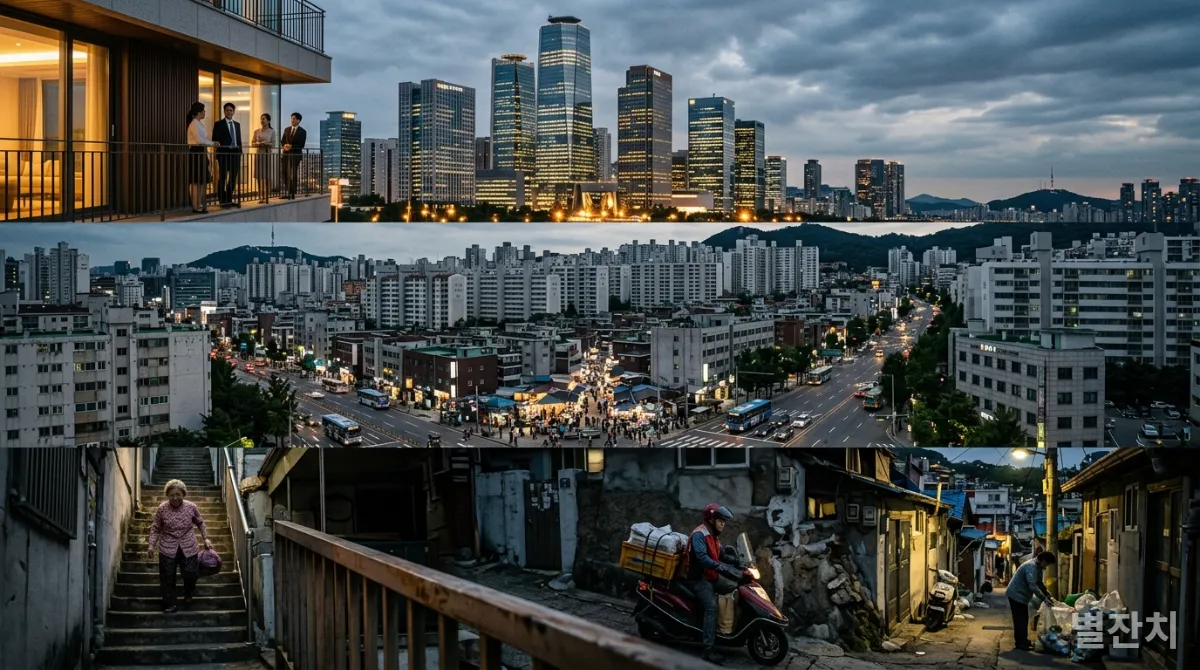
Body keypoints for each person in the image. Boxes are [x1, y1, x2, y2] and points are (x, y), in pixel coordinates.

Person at [685, 503, 744, 665]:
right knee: (711, 607)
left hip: (710, 576)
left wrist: (738, 562)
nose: (723, 524)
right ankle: (708, 648)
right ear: (711, 520)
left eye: (724, 521)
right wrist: (720, 567)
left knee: (735, 586)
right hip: (698, 579)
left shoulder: (713, 535)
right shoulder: (700, 534)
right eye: (720, 521)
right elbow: (702, 557)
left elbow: (721, 554)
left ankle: (728, 628)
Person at [146, 479, 213, 613]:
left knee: (191, 573)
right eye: (172, 495)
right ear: (167, 495)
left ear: (183, 494)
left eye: (178, 494)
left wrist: (206, 538)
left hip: (188, 545)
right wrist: (151, 545)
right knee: (167, 577)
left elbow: (200, 522)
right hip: (167, 546)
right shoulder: (162, 509)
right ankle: (169, 604)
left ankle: (188, 591)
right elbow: (156, 528)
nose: (175, 497)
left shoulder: (191, 507)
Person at [1007, 551, 1057, 651]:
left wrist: (1047, 593)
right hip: (1016, 595)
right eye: (1047, 564)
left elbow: (1039, 583)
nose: (1046, 566)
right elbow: (1033, 586)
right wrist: (1044, 599)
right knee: (1020, 619)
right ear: (1043, 560)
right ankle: (1020, 643)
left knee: (1023, 618)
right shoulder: (1031, 567)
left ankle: (1023, 641)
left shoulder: (1038, 567)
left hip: (1021, 595)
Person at [185, 102, 219, 213]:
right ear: (198, 112)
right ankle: (196, 206)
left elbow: (202, 140)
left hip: (201, 152)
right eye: (203, 111)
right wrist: (212, 143)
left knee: (200, 180)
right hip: (196, 152)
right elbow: (199, 140)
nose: (205, 112)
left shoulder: (198, 123)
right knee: (196, 181)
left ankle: (198, 204)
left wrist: (211, 143)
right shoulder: (194, 123)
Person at [211, 102, 243, 207]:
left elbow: (239, 140)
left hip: (235, 154)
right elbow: (215, 139)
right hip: (224, 153)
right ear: (224, 111)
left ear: (233, 112)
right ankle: (222, 200)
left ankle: (229, 199)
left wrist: (240, 152)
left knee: (233, 177)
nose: (229, 112)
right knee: (223, 177)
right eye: (227, 110)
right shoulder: (218, 124)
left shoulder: (237, 125)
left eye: (231, 110)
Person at [281, 112, 306, 199]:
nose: (292, 120)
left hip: (295, 155)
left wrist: (291, 146)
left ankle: (292, 192)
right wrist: (284, 146)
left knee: (292, 173)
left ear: (298, 120)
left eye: (294, 119)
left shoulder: (302, 131)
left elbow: (301, 144)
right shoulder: (287, 129)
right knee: (284, 173)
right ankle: (289, 190)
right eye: (291, 118)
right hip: (286, 154)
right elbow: (282, 140)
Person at [252, 113, 276, 203]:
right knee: (259, 175)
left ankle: (266, 195)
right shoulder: (256, 131)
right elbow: (252, 143)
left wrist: (266, 143)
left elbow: (273, 144)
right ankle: (260, 196)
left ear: (268, 121)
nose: (262, 120)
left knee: (266, 175)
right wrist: (257, 143)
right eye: (261, 119)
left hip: (267, 154)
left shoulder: (272, 131)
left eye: (264, 119)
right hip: (259, 154)